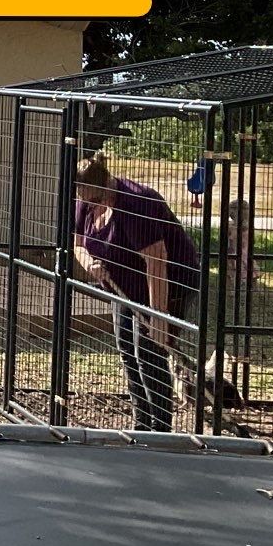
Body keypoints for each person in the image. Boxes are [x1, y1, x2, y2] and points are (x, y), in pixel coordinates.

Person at [72, 151, 199, 432]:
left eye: (94, 200)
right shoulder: (85, 199)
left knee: (150, 353)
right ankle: (141, 425)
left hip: (168, 282)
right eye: (84, 200)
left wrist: (159, 317)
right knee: (128, 350)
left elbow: (157, 262)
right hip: (125, 285)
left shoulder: (135, 204)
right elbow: (78, 242)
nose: (89, 206)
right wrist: (90, 264)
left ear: (107, 184)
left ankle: (160, 430)